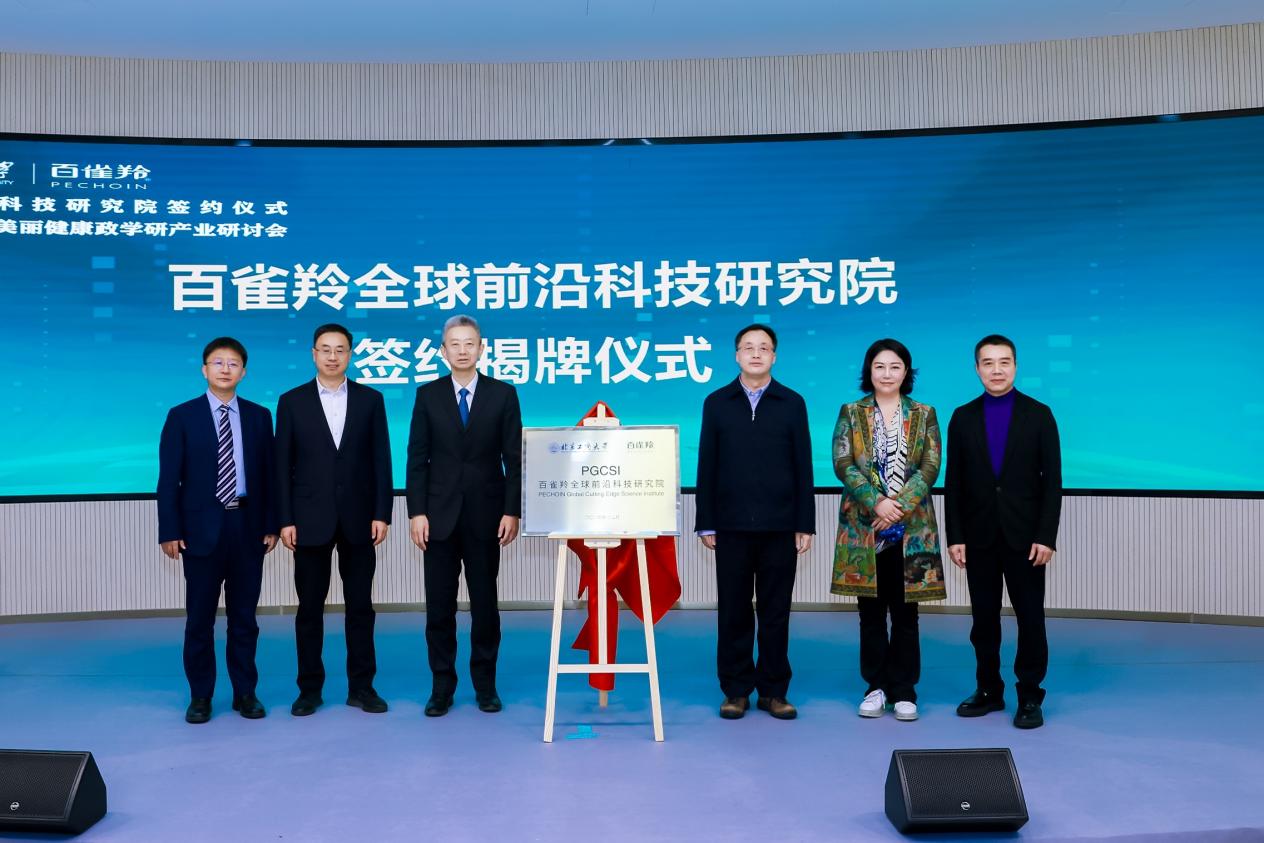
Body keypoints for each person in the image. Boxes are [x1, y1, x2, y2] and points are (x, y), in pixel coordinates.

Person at [695, 324, 814, 721]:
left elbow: (803, 466)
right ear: (737, 355)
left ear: (774, 356)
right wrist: (706, 522)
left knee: (775, 611)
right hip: (730, 526)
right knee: (733, 611)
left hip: (780, 526)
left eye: (764, 348)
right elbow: (707, 464)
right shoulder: (717, 402)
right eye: (749, 347)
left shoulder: (792, 402)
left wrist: (805, 523)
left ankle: (774, 691)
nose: (756, 353)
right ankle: (736, 690)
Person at [157, 337, 278, 723]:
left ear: (244, 372)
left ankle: (246, 693)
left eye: (233, 363)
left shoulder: (259, 416)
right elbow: (169, 479)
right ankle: (201, 696)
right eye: (218, 362)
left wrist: (271, 524)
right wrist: (169, 530)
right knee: (200, 619)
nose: (225, 369)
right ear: (204, 369)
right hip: (199, 531)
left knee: (245, 618)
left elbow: (270, 476)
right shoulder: (182, 416)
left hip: (247, 527)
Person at [406, 315, 522, 717]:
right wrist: (417, 512)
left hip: (486, 516)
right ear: (443, 350)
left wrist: (511, 510)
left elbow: (513, 459)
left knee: (485, 605)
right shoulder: (427, 395)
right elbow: (417, 459)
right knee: (439, 607)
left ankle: (486, 686)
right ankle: (442, 687)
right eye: (454, 344)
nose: (461, 350)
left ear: (481, 348)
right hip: (437, 518)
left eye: (469, 343)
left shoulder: (503, 394)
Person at [276, 323, 393, 717]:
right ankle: (309, 690)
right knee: (309, 609)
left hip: (360, 519)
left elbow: (381, 461)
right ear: (313, 354)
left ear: (350, 354)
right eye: (325, 349)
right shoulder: (292, 401)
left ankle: (362, 687)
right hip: (309, 520)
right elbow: (282, 466)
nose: (332, 356)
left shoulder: (370, 399)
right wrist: (285, 519)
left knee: (361, 607)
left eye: (340, 349)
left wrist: (382, 513)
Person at [945, 334, 1062, 730]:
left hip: (1026, 539)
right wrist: (955, 536)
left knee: (1030, 619)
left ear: (1015, 366)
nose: (996, 370)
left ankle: (1029, 694)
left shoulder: (1039, 414)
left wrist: (1046, 536)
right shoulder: (962, 417)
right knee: (983, 620)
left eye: (1004, 362)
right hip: (978, 537)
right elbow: (954, 483)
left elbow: (1052, 483)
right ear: (977, 368)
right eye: (988, 362)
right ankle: (989, 690)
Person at [831, 339, 945, 722]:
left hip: (912, 529)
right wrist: (876, 502)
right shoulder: (851, 412)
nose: (887, 373)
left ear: (906, 372)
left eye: (895, 366)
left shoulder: (925, 414)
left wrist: (897, 507)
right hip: (865, 528)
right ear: (869, 370)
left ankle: (905, 690)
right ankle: (875, 687)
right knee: (871, 614)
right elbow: (843, 462)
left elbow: (930, 465)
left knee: (907, 614)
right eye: (879, 366)